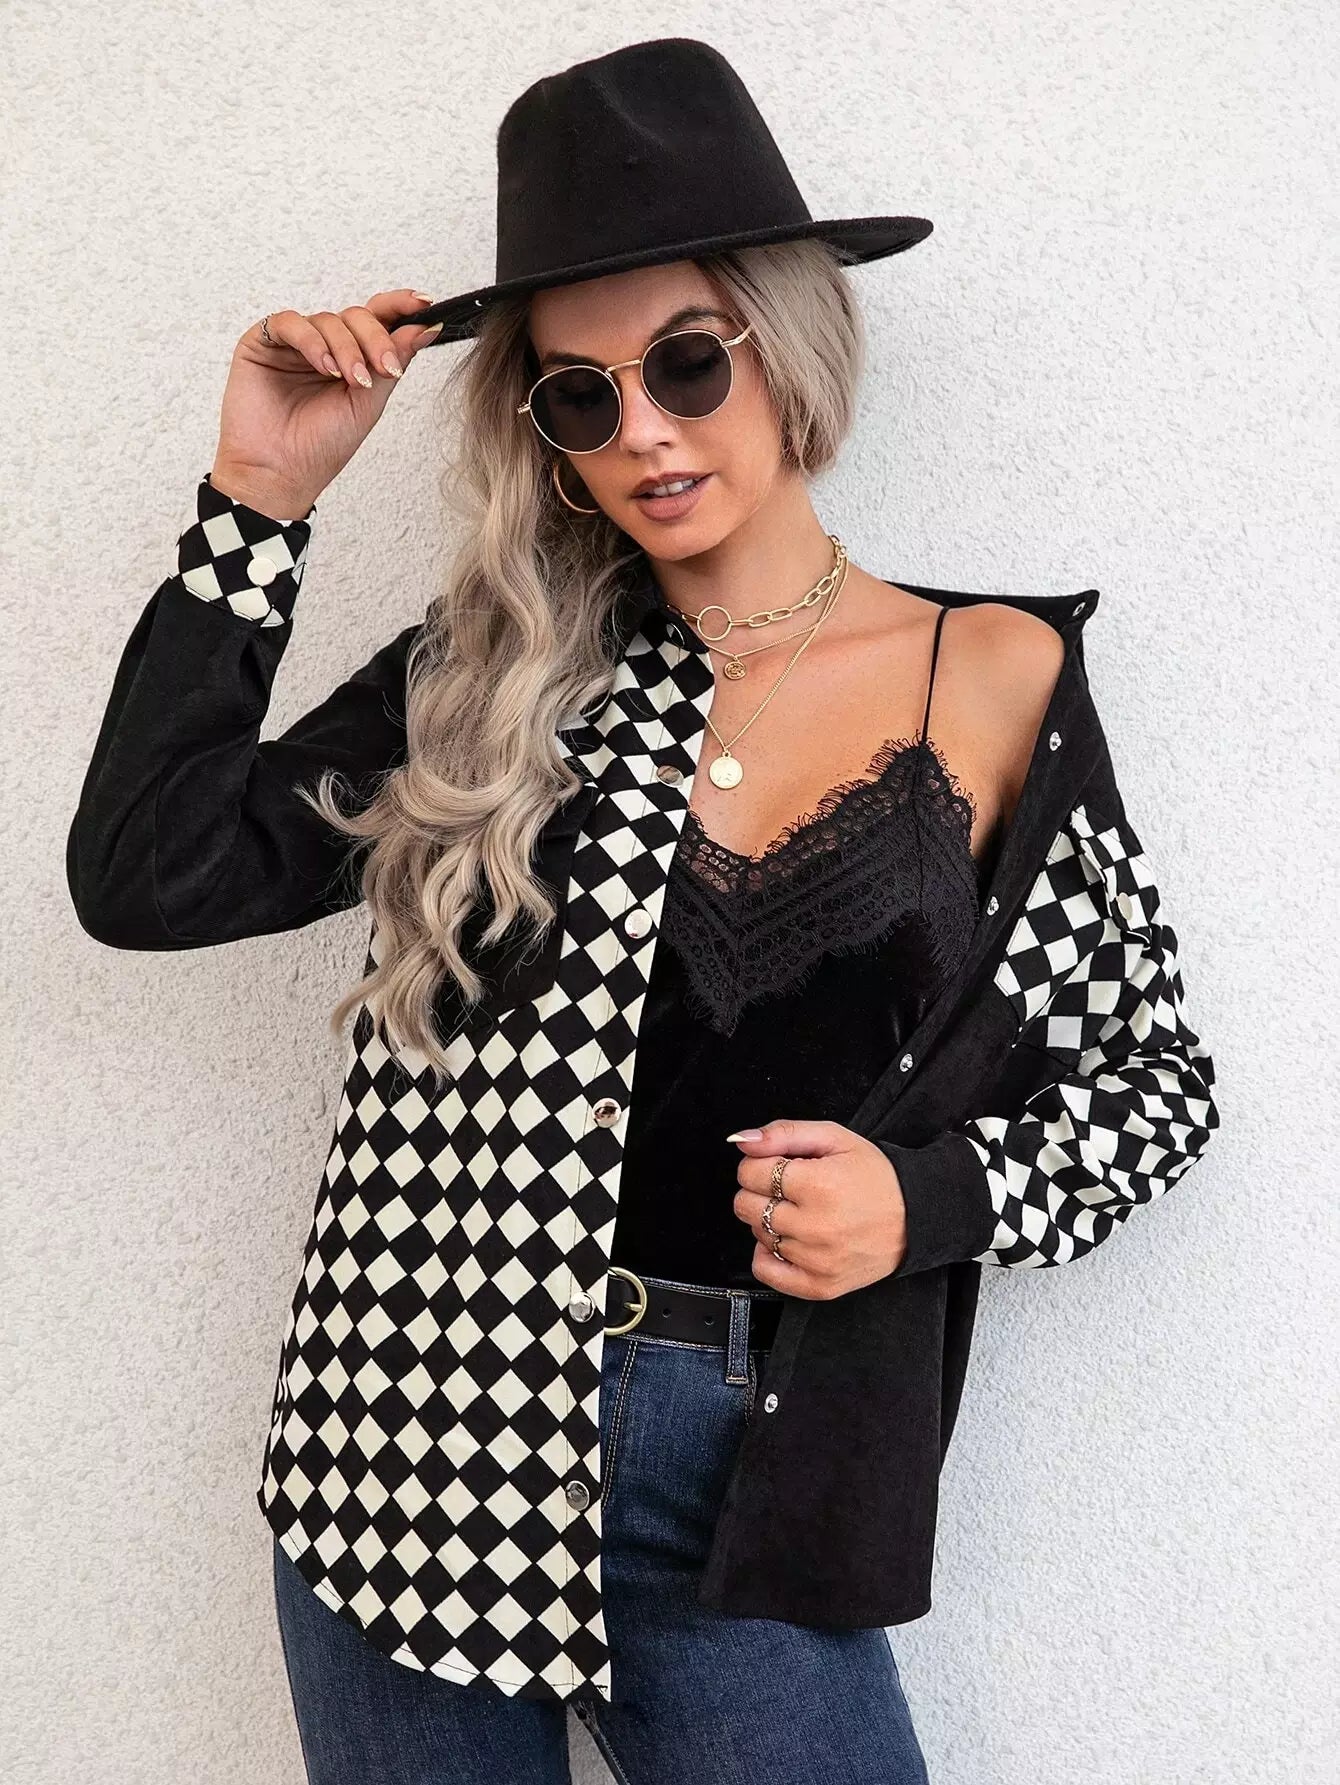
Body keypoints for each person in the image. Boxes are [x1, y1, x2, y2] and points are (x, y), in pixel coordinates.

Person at [65, 37, 1219, 1785]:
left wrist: (930, 1199)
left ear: (787, 343)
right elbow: (148, 873)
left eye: (688, 360)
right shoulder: (491, 677)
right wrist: (262, 501)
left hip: (749, 1470)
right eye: (580, 397)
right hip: (410, 1437)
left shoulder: (986, 677)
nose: (648, 432)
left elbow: (1154, 1084)